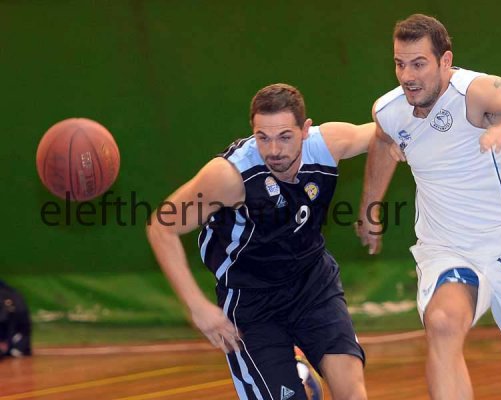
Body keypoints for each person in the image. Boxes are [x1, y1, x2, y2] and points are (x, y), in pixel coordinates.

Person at [355, 14, 501, 400]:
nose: (407, 76)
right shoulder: (390, 110)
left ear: (445, 61)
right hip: (450, 248)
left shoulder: (476, 94)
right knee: (442, 322)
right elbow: (382, 141)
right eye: (399, 64)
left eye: (418, 64)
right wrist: (370, 208)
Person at [147, 83, 372, 400]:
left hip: (312, 283)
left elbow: (387, 131)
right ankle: (297, 376)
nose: (274, 150)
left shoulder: (327, 145)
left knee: (353, 393)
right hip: (251, 300)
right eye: (263, 137)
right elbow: (161, 227)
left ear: (305, 130)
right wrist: (196, 306)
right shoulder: (229, 176)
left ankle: (299, 373)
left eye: (285, 136)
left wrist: (372, 203)